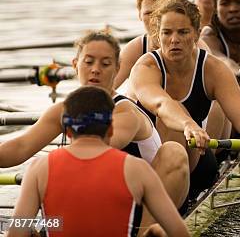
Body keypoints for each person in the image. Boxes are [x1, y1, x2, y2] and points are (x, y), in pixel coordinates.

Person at [0, 30, 189, 235]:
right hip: (93, 203)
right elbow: (20, 147)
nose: (95, 70)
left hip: (143, 203)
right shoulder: (61, 111)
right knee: (31, 225)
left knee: (173, 151)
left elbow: (96, 154)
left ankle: (144, 232)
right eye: (88, 62)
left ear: (118, 68)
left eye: (105, 64)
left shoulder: (125, 112)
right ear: (75, 65)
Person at [128, 0, 240, 198]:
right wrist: (188, 125)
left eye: (183, 32)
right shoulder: (145, 67)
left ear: (197, 34)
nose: (174, 40)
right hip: (149, 161)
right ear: (157, 34)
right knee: (172, 123)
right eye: (167, 32)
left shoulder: (213, 69)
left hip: (195, 163)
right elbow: (162, 104)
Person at [8, 86, 189, 237]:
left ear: (68, 132)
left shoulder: (38, 169)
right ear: (110, 129)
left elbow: (16, 231)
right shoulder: (137, 169)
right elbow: (179, 232)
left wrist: (46, 224)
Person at [114, 0, 182, 89]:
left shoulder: (198, 48)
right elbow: (103, 90)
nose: (155, 20)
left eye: (162, 12)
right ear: (139, 14)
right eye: (149, 14)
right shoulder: (134, 50)